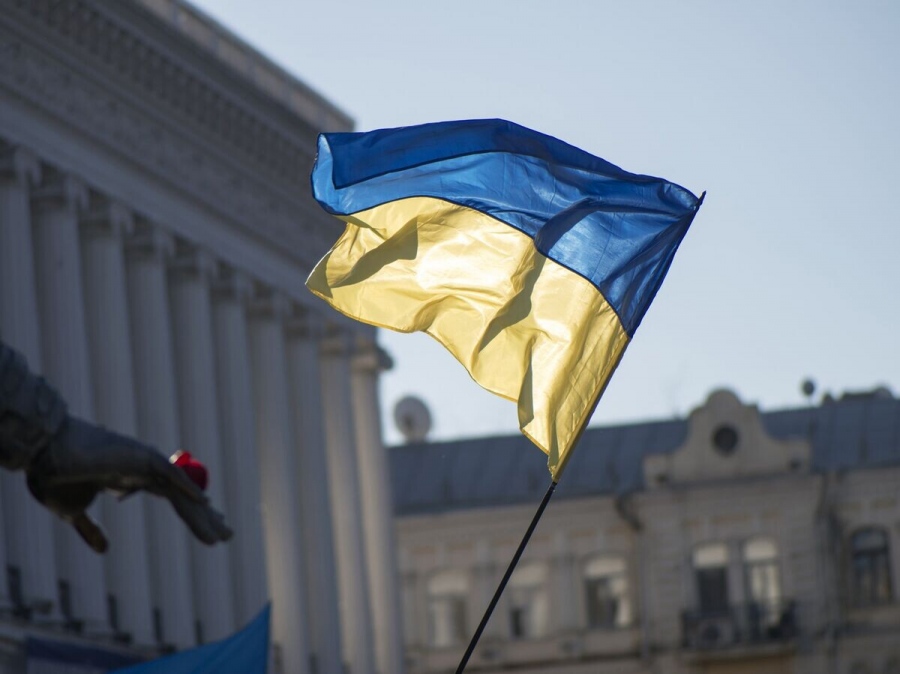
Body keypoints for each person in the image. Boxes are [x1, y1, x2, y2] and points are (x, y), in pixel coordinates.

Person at [0, 340, 232, 553]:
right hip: (49, 455)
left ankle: (77, 515)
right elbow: (154, 465)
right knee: (147, 470)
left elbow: (154, 465)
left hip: (50, 453)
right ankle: (77, 515)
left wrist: (198, 503)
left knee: (147, 470)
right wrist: (200, 504)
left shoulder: (71, 459)